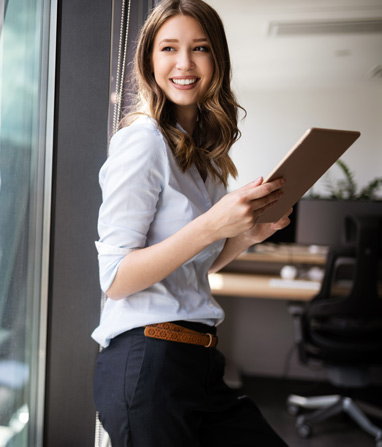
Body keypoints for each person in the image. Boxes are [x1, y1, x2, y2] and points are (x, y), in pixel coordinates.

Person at [92, 1, 291, 445]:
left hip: (197, 363)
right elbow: (117, 278)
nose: (184, 63)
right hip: (150, 364)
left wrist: (247, 235)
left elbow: (193, 267)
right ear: (149, 60)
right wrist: (211, 225)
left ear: (216, 59)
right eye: (169, 48)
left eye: (199, 48)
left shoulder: (203, 158)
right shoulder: (142, 142)